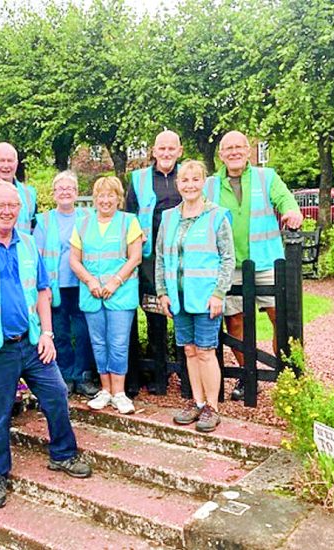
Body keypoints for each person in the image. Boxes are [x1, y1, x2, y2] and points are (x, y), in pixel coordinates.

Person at [0, 181, 91, 510]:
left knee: (56, 394)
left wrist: (47, 334)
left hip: (30, 342)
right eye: (0, 205)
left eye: (12, 206)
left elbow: (42, 290)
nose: (7, 211)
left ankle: (63, 454)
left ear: (20, 210)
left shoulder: (27, 243)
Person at [203, 131, 303, 400]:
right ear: (221, 155)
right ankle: (248, 376)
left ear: (248, 151)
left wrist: (292, 211)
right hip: (228, 264)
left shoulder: (266, 177)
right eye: (228, 148)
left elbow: (284, 199)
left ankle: (286, 376)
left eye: (239, 147)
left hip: (266, 260)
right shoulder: (210, 185)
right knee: (234, 321)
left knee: (280, 319)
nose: (234, 152)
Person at [156, 160, 235, 432]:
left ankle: (212, 406)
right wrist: (162, 292)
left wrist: (218, 293)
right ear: (178, 184)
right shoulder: (168, 218)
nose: (189, 185)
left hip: (205, 298)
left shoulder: (216, 216)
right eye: (184, 180)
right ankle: (197, 402)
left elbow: (228, 259)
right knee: (189, 350)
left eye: (195, 179)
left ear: (203, 182)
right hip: (178, 298)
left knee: (205, 351)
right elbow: (160, 258)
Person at [70, 176, 143, 415]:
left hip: (120, 293)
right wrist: (90, 281)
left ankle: (120, 393)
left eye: (110, 195)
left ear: (118, 198)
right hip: (92, 293)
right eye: (101, 195)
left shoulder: (128, 222)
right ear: (95, 199)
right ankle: (105, 390)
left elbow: (135, 257)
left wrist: (115, 281)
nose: (105, 200)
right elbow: (74, 260)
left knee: (118, 343)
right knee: (99, 343)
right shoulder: (82, 224)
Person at [125, 130, 184, 396]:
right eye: (162, 148)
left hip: (182, 256)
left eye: (172, 148)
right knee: (154, 314)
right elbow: (128, 216)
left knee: (184, 312)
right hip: (149, 258)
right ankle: (157, 374)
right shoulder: (138, 179)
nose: (167, 153)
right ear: (153, 151)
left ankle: (187, 375)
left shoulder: (190, 177)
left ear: (179, 151)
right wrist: (137, 232)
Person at [33, 170, 100, 398]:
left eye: (69, 188)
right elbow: (38, 257)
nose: (65, 192)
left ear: (76, 192)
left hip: (82, 284)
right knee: (59, 333)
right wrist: (43, 288)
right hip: (55, 287)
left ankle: (82, 375)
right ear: (53, 194)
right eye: (60, 188)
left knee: (83, 332)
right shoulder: (44, 221)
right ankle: (65, 376)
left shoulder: (88, 217)